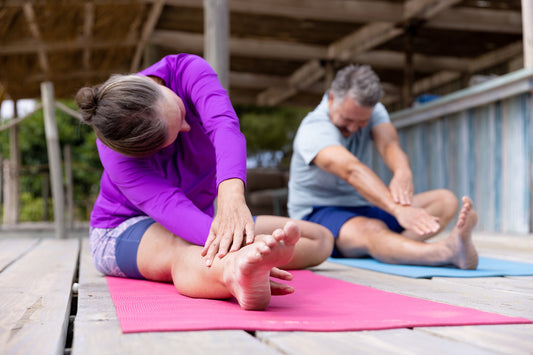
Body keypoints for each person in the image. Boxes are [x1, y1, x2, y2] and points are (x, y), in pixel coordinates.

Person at [75, 53, 333, 311]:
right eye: (174, 135)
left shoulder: (186, 70)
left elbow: (224, 127)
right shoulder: (117, 156)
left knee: (319, 240)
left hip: (203, 216)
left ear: (156, 85)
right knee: (180, 247)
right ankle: (234, 273)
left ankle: (244, 262)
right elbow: (170, 207)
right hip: (123, 229)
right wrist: (242, 245)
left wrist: (232, 200)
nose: (187, 127)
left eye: (180, 112)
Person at [288, 64, 478, 269]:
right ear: (332, 98)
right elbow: (351, 170)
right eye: (347, 120)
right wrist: (397, 209)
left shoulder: (373, 109)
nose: (353, 128)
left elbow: (389, 144)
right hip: (317, 213)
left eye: (361, 122)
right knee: (374, 228)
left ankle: (393, 248)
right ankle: (445, 252)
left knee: (445, 201)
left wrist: (402, 171)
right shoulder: (314, 129)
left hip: (362, 206)